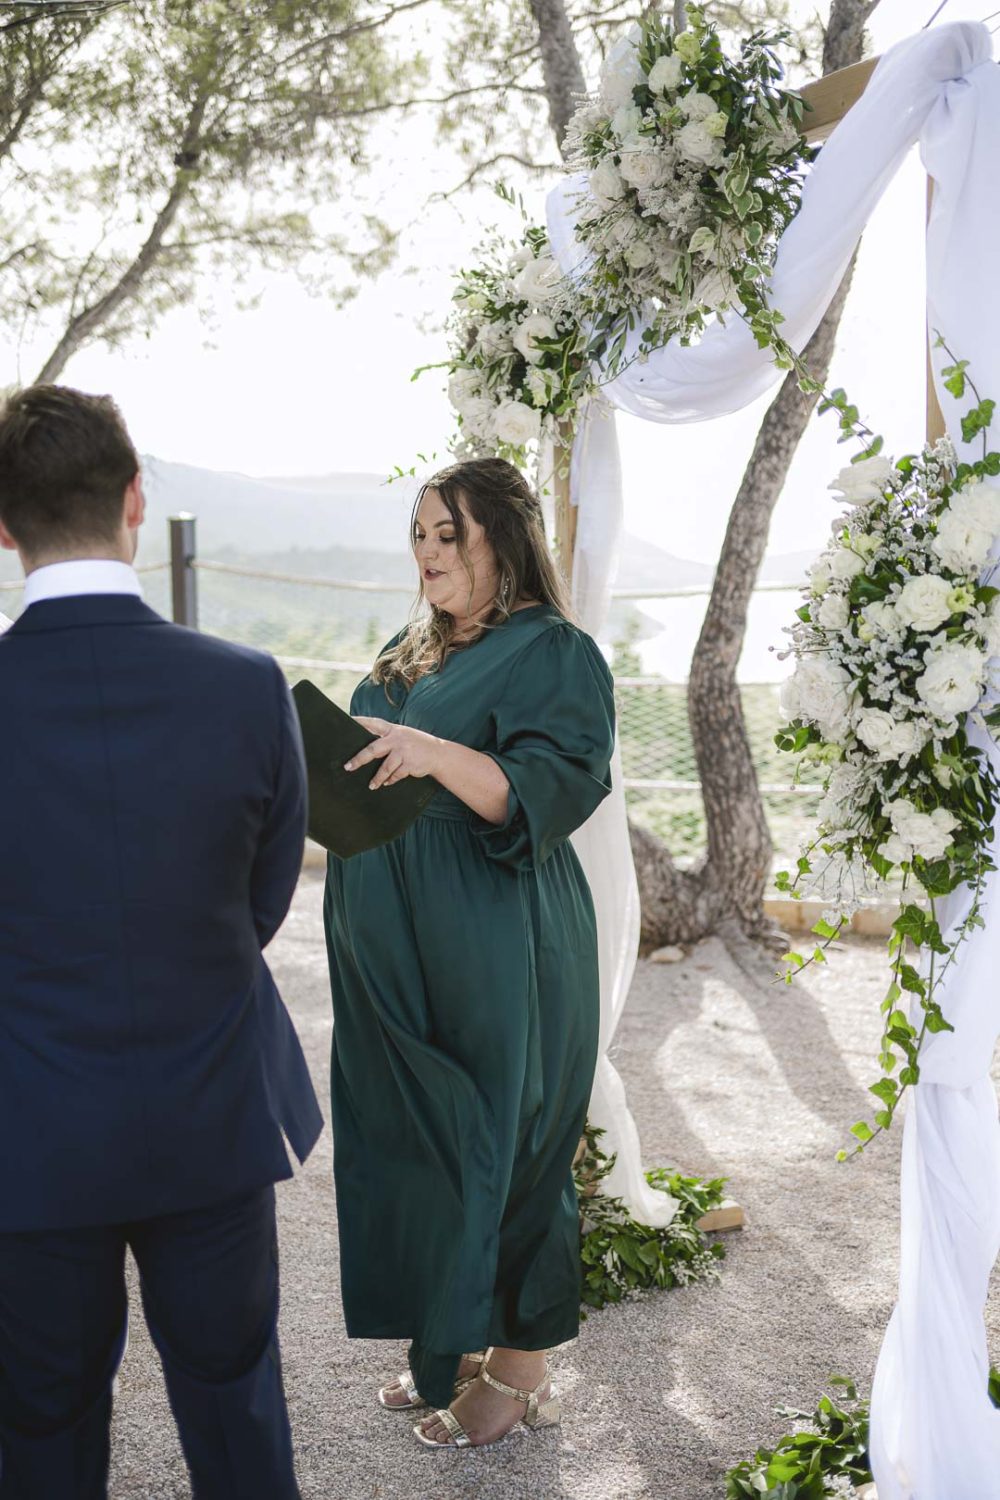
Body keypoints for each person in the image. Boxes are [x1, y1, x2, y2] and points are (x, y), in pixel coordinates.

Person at [0, 385, 322, 1500]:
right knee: (236, 1413)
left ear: (2, 523)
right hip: (210, 1113)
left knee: (38, 1430)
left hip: (26, 1132)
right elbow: (265, 897)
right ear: (136, 499)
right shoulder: (245, 685)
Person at [323, 456, 616, 1451]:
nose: (428, 553)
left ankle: (519, 1372)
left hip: (501, 930)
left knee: (511, 1130)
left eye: (450, 533)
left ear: (504, 536)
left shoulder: (554, 651)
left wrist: (432, 754)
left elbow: (553, 788)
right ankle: (446, 1342)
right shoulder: (412, 649)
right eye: (417, 534)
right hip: (391, 927)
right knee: (418, 1134)